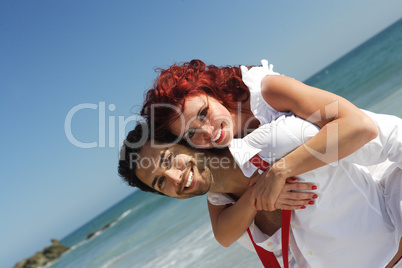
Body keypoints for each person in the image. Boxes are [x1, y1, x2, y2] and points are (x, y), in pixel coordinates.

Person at [118, 117, 401, 267]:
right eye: (159, 183)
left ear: (186, 141)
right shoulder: (231, 216)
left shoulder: (280, 142)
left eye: (168, 160)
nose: (174, 178)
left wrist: (279, 171)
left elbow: (390, 138)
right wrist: (256, 199)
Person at [141, 59, 378, 212]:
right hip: (357, 185)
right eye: (191, 133)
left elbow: (358, 126)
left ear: (211, 91)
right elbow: (222, 232)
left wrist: (279, 171)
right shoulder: (212, 147)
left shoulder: (266, 91)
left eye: (203, 113)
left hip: (384, 154)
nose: (207, 131)